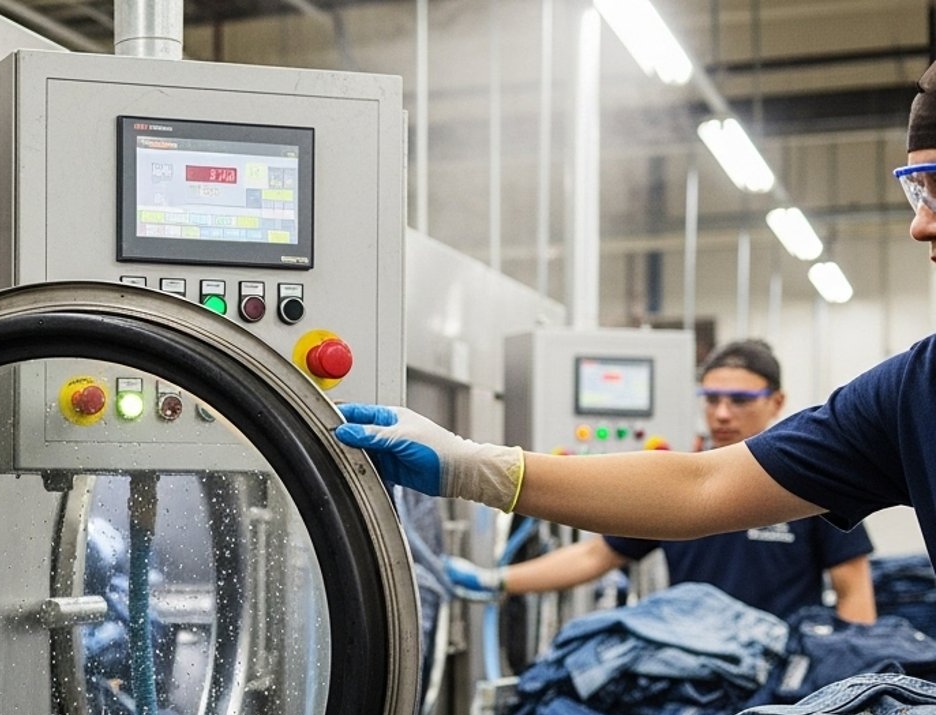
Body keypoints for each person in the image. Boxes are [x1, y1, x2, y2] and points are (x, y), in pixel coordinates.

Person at [334, 62, 936, 596]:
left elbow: (853, 596)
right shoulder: (911, 394)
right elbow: (699, 487)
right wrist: (468, 467)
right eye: (917, 193)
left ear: (774, 401)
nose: (920, 225)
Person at [443, 340, 877, 622]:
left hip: (782, 690)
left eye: (740, 400)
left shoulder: (810, 481)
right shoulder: (678, 486)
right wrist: (495, 580)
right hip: (690, 676)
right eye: (712, 399)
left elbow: (854, 592)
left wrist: (840, 694)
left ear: (776, 402)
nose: (722, 413)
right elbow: (595, 555)